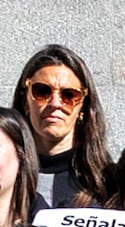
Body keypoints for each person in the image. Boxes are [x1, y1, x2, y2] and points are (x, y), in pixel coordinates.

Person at [14, 42, 112, 209]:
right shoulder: (6, 175)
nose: (55, 103)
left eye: (69, 95)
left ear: (83, 107)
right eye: (42, 91)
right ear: (25, 101)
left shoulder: (108, 180)